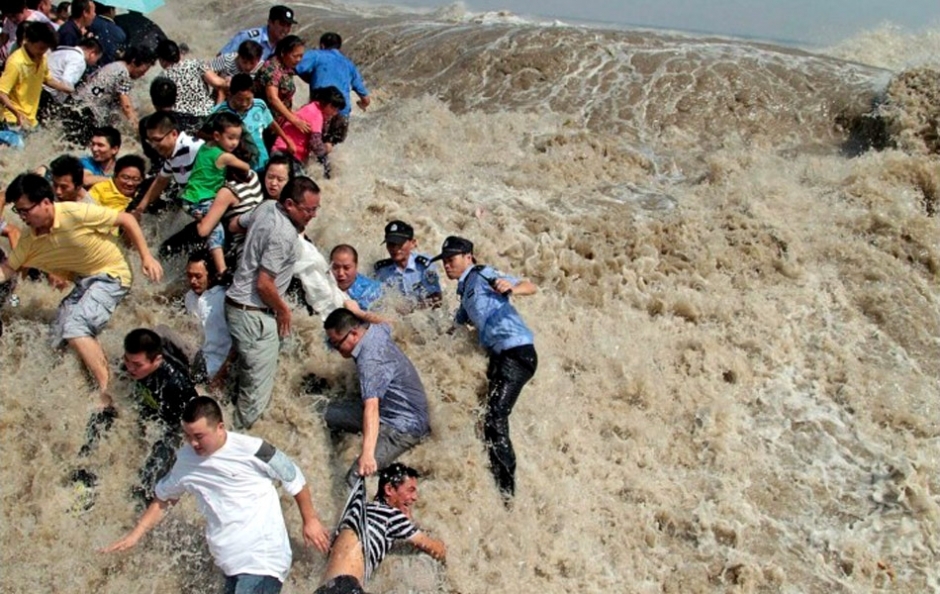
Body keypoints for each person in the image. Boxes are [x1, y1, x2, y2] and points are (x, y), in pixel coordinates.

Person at [102, 396, 332, 593]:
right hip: (229, 564)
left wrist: (310, 519)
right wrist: (136, 533)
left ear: (220, 427)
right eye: (188, 435)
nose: (193, 442)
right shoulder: (185, 460)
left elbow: (292, 475)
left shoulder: (252, 449)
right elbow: (165, 498)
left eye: (199, 436)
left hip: (262, 560)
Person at [0, 173, 163, 406]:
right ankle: (59, 390)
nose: (22, 216)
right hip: (85, 282)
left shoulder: (73, 213)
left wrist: (146, 257)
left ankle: (109, 392)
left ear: (46, 202)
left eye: (26, 210)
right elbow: (8, 269)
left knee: (76, 326)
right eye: (19, 212)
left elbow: (127, 219)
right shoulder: (29, 239)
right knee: (57, 334)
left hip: (112, 275)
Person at [432, 235, 538, 500]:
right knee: (486, 416)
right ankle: (494, 477)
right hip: (501, 357)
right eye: (443, 261)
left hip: (517, 353)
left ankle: (506, 493)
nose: (447, 265)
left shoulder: (481, 274)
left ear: (468, 257)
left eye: (451, 259)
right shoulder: (465, 292)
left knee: (495, 417)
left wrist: (511, 289)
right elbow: (456, 325)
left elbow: (530, 286)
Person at [224, 176, 320, 428]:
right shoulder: (284, 235)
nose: (313, 215)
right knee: (255, 395)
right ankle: (238, 435)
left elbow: (235, 224)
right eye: (309, 210)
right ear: (289, 204)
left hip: (238, 304)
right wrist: (284, 310)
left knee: (251, 369)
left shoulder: (266, 206)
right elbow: (264, 284)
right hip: (254, 313)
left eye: (316, 209)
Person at [322, 308, 431, 486]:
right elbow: (387, 323)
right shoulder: (374, 331)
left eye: (336, 344)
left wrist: (367, 454)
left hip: (403, 426)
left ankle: (360, 512)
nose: (335, 349)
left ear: (354, 333)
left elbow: (371, 408)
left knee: (355, 477)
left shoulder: (370, 361)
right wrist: (357, 311)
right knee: (324, 413)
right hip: (388, 410)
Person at [316, 464, 446, 593]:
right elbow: (435, 549)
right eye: (410, 490)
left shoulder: (357, 511)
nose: (415, 497)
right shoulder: (391, 515)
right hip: (346, 586)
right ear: (389, 489)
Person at [121, 327, 198, 503]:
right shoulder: (131, 363)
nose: (130, 368)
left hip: (174, 425)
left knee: (152, 472)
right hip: (151, 410)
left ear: (157, 360)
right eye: (127, 360)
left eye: (138, 365)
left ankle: (143, 503)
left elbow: (198, 417)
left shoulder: (177, 384)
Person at [182, 112, 253, 277]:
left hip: (188, 198)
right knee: (216, 230)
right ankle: (222, 270)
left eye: (238, 138)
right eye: (231, 138)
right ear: (217, 135)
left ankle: (199, 218)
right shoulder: (225, 157)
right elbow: (246, 166)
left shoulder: (206, 146)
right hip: (203, 199)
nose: (235, 143)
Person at [296, 32, 370, 154]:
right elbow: (366, 99)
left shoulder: (316, 55)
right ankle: (331, 172)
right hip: (342, 113)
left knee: (313, 147)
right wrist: (362, 104)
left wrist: (310, 79)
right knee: (332, 149)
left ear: (322, 45)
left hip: (322, 110)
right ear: (339, 47)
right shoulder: (349, 64)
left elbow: (295, 67)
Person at [69, 44, 156, 142]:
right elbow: (126, 107)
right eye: (143, 70)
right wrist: (139, 132)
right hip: (87, 114)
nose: (143, 74)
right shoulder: (124, 75)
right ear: (134, 62)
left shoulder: (114, 66)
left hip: (74, 105)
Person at [0, 21, 73, 131]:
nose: (43, 52)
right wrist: (16, 113)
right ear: (28, 40)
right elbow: (1, 93)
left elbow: (47, 79)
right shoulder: (16, 62)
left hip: (31, 119)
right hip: (12, 120)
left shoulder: (42, 58)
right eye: (40, 47)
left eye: (45, 48)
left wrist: (66, 88)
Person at [132, 111, 204, 218]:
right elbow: (161, 180)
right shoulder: (172, 155)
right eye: (150, 141)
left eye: (157, 140)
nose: (153, 146)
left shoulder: (194, 147)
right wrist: (140, 209)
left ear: (174, 134)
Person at [210, 72, 288, 170]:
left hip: (262, 161)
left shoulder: (259, 105)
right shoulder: (220, 112)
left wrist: (287, 141)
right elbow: (206, 134)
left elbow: (271, 123)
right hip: (236, 166)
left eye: (248, 99)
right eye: (239, 99)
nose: (244, 103)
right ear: (230, 94)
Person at [272, 86, 345, 178]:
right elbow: (316, 144)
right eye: (334, 108)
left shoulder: (311, 107)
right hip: (287, 153)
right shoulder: (316, 115)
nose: (335, 113)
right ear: (327, 104)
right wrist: (326, 148)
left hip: (281, 151)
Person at [184, 250, 231, 388]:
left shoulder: (224, 297)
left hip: (220, 366)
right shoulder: (189, 297)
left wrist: (223, 374)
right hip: (200, 361)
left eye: (198, 276)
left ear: (210, 276)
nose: (193, 281)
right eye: (189, 276)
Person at [373, 220, 442, 308]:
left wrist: (411, 308)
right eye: (391, 244)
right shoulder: (381, 270)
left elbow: (437, 300)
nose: (395, 248)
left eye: (399, 244)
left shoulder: (425, 265)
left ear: (413, 243)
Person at [253, 34, 305, 138]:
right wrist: (294, 120)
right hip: (264, 122)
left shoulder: (286, 67)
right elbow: (273, 98)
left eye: (301, 56)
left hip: (278, 122)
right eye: (295, 56)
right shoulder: (272, 69)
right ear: (283, 53)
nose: (298, 59)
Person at [40, 35, 100, 115]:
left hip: (37, 86)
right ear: (92, 54)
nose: (95, 63)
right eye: (97, 59)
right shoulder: (79, 60)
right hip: (46, 94)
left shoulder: (64, 50)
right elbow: (66, 83)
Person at [155, 38, 214, 118]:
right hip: (207, 115)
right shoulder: (196, 64)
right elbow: (219, 84)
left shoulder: (161, 79)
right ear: (179, 53)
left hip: (183, 122)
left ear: (162, 60)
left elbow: (162, 109)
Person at [218, 4, 296, 61]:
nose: (285, 29)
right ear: (270, 22)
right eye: (282, 24)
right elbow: (221, 58)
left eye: (288, 25)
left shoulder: (284, 47)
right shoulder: (249, 37)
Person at [330, 244, 382, 311]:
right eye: (336, 267)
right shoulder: (324, 285)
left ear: (356, 266)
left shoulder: (372, 291)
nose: (340, 273)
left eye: (346, 268)